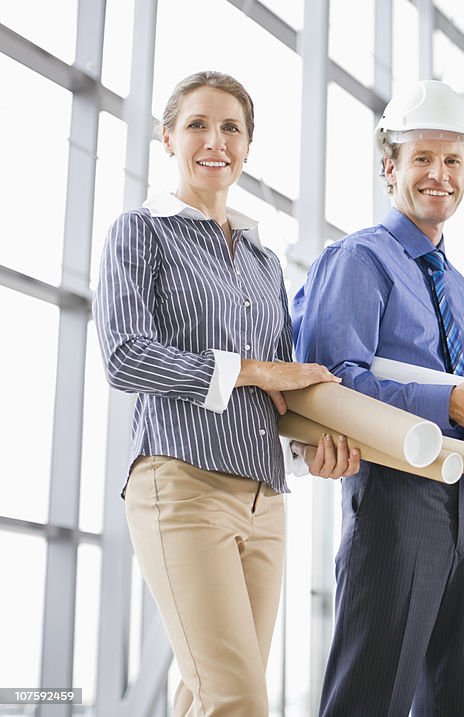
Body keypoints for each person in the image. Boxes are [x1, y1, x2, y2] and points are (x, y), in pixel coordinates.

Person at [94, 71, 359, 717]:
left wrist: (313, 451)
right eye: (197, 125)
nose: (215, 140)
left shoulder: (265, 262)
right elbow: (125, 356)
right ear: (168, 138)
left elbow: (285, 389)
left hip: (264, 497)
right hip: (181, 484)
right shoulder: (140, 232)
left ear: (247, 144)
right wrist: (255, 370)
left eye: (230, 128)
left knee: (206, 695)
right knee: (236, 697)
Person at [292, 80, 464, 717]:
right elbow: (327, 386)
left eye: (453, 160)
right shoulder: (358, 261)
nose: (439, 175)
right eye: (422, 158)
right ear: (389, 167)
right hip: (398, 500)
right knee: (371, 696)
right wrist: (450, 410)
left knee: (461, 703)